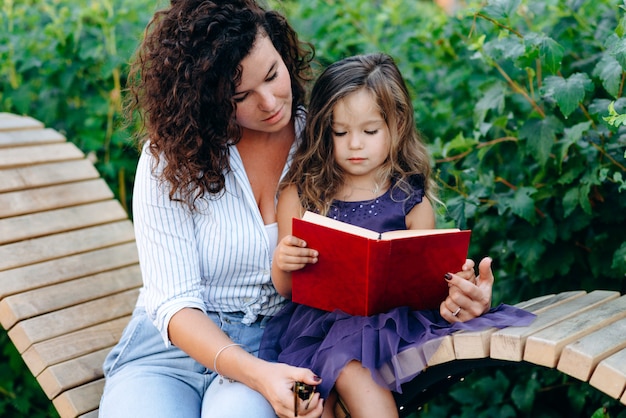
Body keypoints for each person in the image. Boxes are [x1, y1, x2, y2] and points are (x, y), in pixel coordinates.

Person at [98, 1, 497, 416]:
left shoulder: (330, 138)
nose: (270, 103)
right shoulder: (170, 160)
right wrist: (255, 373)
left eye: (272, 75)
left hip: (274, 346)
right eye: (240, 96)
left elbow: (396, 251)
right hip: (168, 354)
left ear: (282, 52)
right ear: (205, 99)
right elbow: (173, 304)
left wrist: (456, 298)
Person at [259, 53, 536, 418]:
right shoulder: (302, 193)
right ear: (323, 131)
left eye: (370, 131)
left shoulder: (408, 198)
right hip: (315, 327)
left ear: (397, 124)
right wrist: (283, 262)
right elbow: (288, 288)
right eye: (340, 133)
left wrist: (455, 282)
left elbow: (431, 282)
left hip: (391, 326)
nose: (354, 144)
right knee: (306, 400)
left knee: (351, 368)